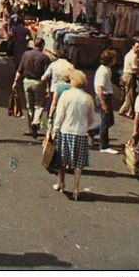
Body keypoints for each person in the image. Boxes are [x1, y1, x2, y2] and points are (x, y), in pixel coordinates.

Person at [50, 69, 94, 200]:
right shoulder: (87, 98)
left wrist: (54, 130)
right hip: (80, 133)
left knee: (62, 159)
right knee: (78, 163)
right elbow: (91, 118)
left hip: (66, 130)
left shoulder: (66, 95)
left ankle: (61, 183)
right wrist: (86, 127)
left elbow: (60, 115)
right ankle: (76, 188)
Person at [13, 38, 50, 137]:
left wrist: (15, 82)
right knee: (39, 105)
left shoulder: (26, 55)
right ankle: (36, 121)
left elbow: (20, 69)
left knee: (29, 106)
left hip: (27, 81)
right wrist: (47, 87)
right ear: (42, 45)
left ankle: (32, 129)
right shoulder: (45, 57)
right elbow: (46, 74)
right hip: (39, 82)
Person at [93, 49, 119, 154]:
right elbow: (99, 88)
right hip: (103, 97)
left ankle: (91, 132)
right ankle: (103, 145)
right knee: (105, 122)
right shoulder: (103, 71)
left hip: (106, 96)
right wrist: (103, 103)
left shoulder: (107, 69)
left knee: (110, 121)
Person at [118, 42, 139, 118]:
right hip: (129, 75)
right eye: (137, 47)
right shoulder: (133, 56)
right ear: (133, 46)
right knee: (130, 95)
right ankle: (129, 113)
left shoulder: (129, 54)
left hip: (126, 74)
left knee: (128, 94)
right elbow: (135, 68)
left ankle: (122, 110)